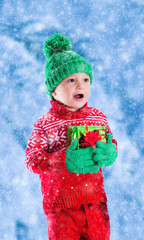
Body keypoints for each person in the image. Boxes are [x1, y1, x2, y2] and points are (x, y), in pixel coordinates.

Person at [25, 33, 118, 240]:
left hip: (96, 203)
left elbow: (111, 142)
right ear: (54, 91)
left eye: (86, 79)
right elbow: (32, 160)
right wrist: (62, 160)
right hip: (61, 207)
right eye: (71, 80)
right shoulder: (45, 124)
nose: (80, 85)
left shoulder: (98, 117)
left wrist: (110, 152)